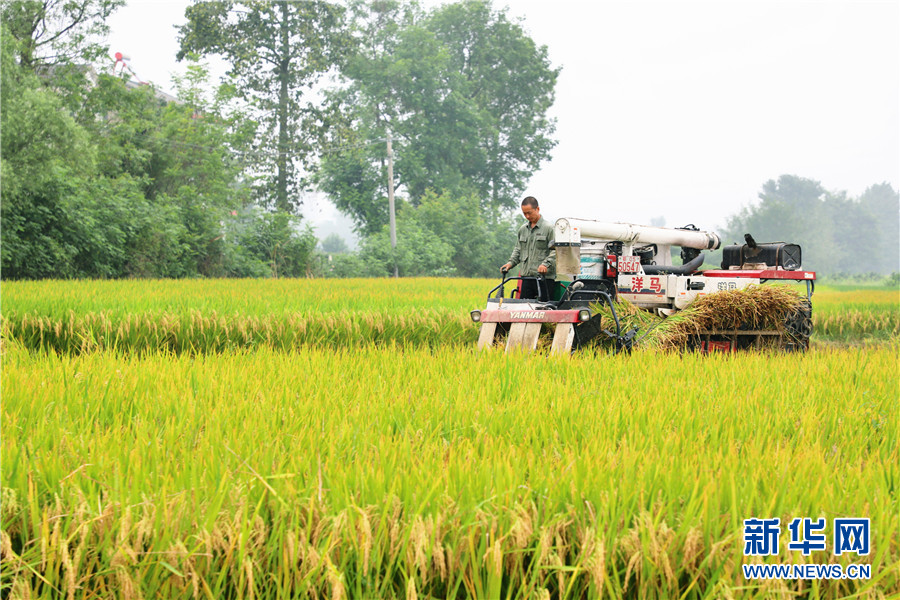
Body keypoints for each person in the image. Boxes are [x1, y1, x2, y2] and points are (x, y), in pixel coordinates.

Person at [501, 196, 557, 300]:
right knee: (523, 309)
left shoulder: (549, 228)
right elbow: (518, 249)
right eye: (524, 213)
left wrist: (545, 264)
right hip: (527, 278)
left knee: (544, 310)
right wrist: (510, 263)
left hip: (544, 279)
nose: (527, 216)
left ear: (537, 209)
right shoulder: (523, 230)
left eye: (529, 213)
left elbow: (556, 251)